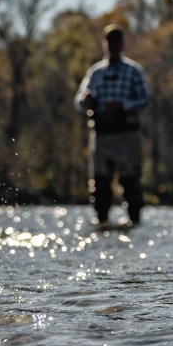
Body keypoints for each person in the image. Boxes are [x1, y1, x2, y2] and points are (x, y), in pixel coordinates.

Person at [74, 24, 151, 227]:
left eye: (116, 40)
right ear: (104, 43)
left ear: (122, 43)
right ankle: (101, 221)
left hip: (127, 134)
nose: (113, 44)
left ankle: (134, 222)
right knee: (100, 184)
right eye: (109, 40)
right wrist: (88, 100)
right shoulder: (95, 72)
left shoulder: (134, 71)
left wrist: (123, 105)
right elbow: (79, 101)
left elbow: (146, 99)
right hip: (101, 135)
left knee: (131, 182)